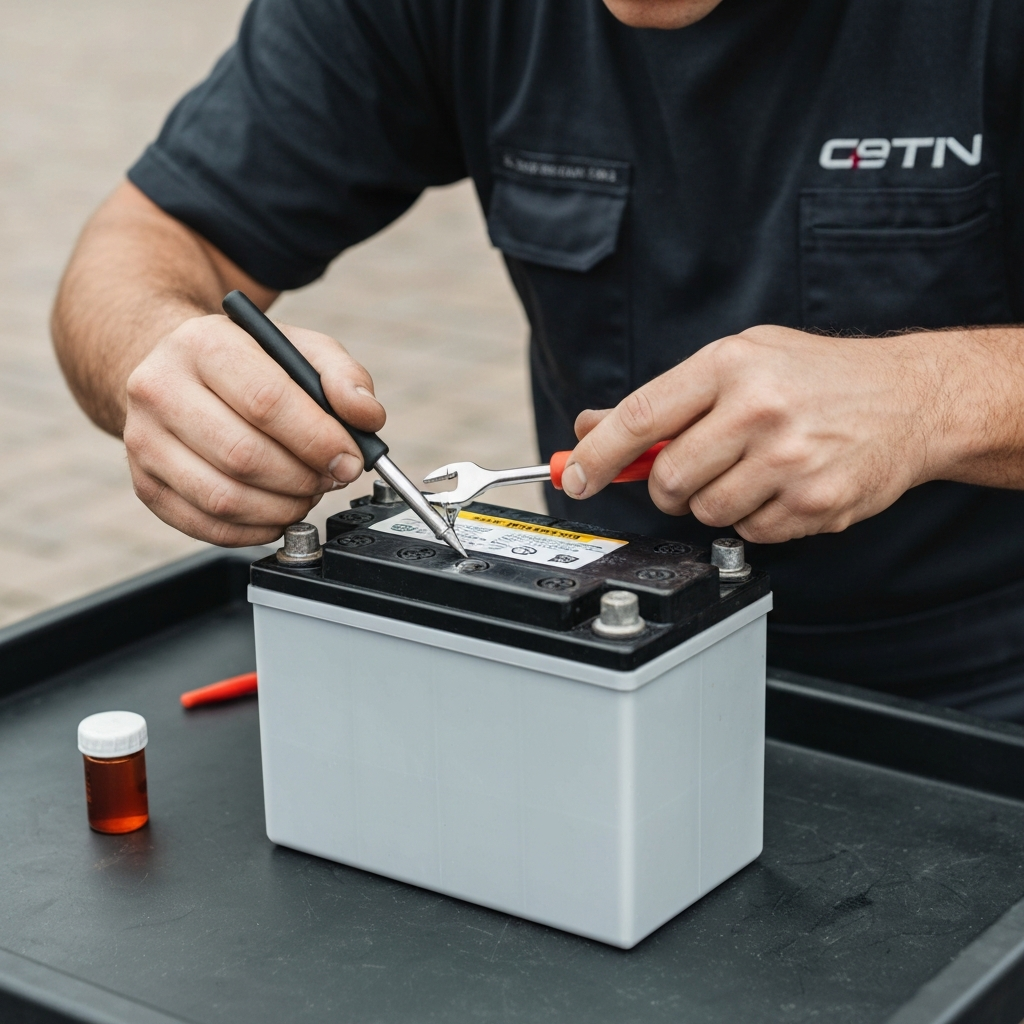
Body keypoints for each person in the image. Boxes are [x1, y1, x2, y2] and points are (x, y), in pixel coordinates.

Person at [51, 0, 1024, 718]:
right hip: (592, 650)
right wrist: (164, 359)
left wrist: (933, 399)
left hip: (979, 678)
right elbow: (147, 242)